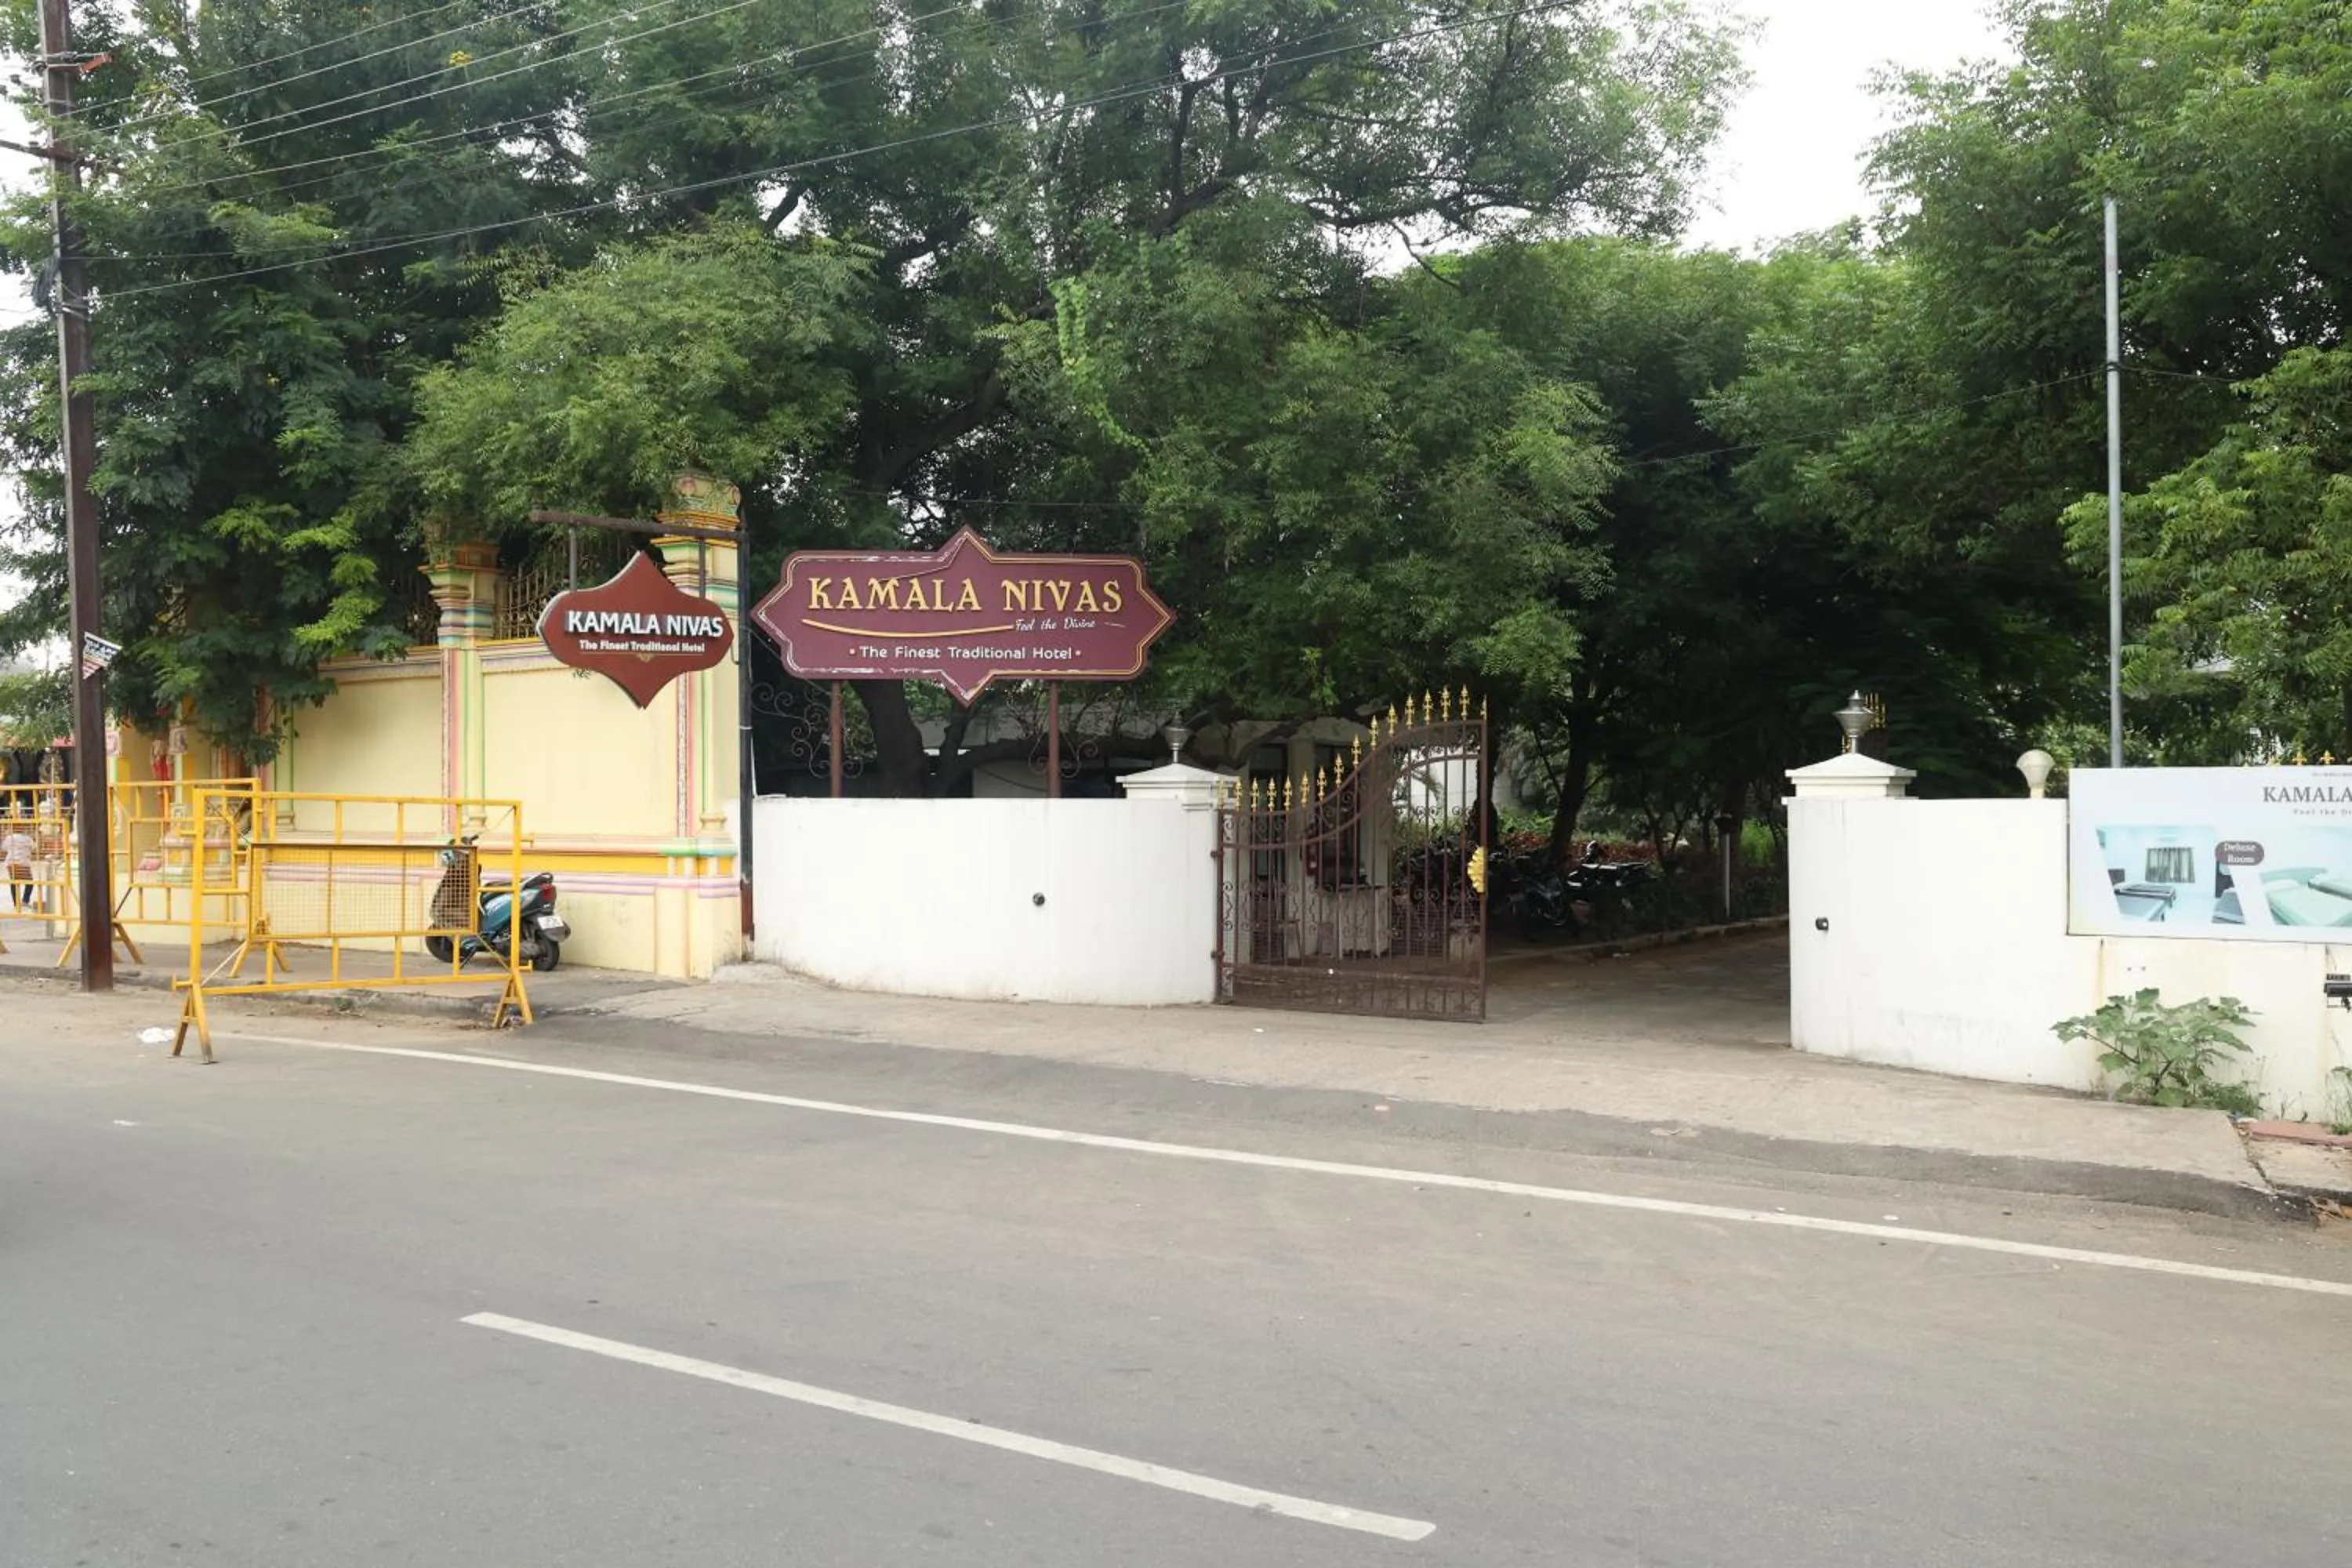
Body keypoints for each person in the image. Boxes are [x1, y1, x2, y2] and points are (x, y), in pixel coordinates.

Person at [2, 820, 33, 912]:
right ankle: (25, 901)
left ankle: (16, 904)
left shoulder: (9, 838)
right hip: (24, 863)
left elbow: (4, 848)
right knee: (30, 883)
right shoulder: (27, 838)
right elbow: (33, 847)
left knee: (14, 882)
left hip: (11, 864)